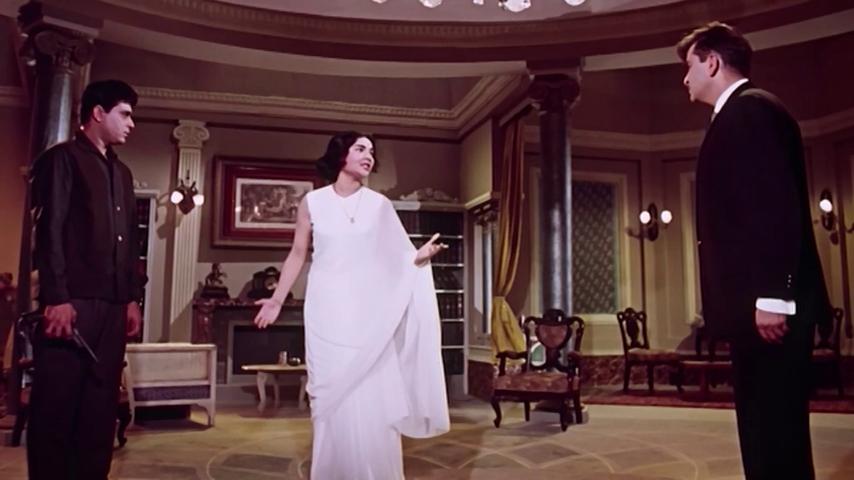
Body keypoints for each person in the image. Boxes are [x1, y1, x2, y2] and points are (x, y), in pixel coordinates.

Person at [677, 22, 831, 480]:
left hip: (769, 310)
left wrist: (773, 296)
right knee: (763, 434)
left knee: (776, 437)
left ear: (712, 62)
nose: (684, 78)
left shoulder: (750, 110)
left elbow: (774, 205)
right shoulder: (738, 113)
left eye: (689, 66)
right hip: (756, 310)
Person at [253, 131, 450, 479]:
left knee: (373, 392)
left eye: (372, 151)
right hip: (326, 310)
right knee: (332, 396)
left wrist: (419, 257)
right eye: (360, 148)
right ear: (341, 154)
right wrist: (277, 299)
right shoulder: (313, 202)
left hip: (368, 312)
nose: (369, 155)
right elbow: (297, 253)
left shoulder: (379, 205)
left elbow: (398, 257)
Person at [28, 79, 145, 480]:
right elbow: (50, 231)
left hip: (113, 309)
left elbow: (130, 241)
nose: (131, 123)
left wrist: (131, 299)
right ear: (98, 113)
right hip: (72, 303)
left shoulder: (122, 173)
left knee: (100, 410)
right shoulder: (61, 160)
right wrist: (56, 298)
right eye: (124, 114)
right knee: (56, 410)